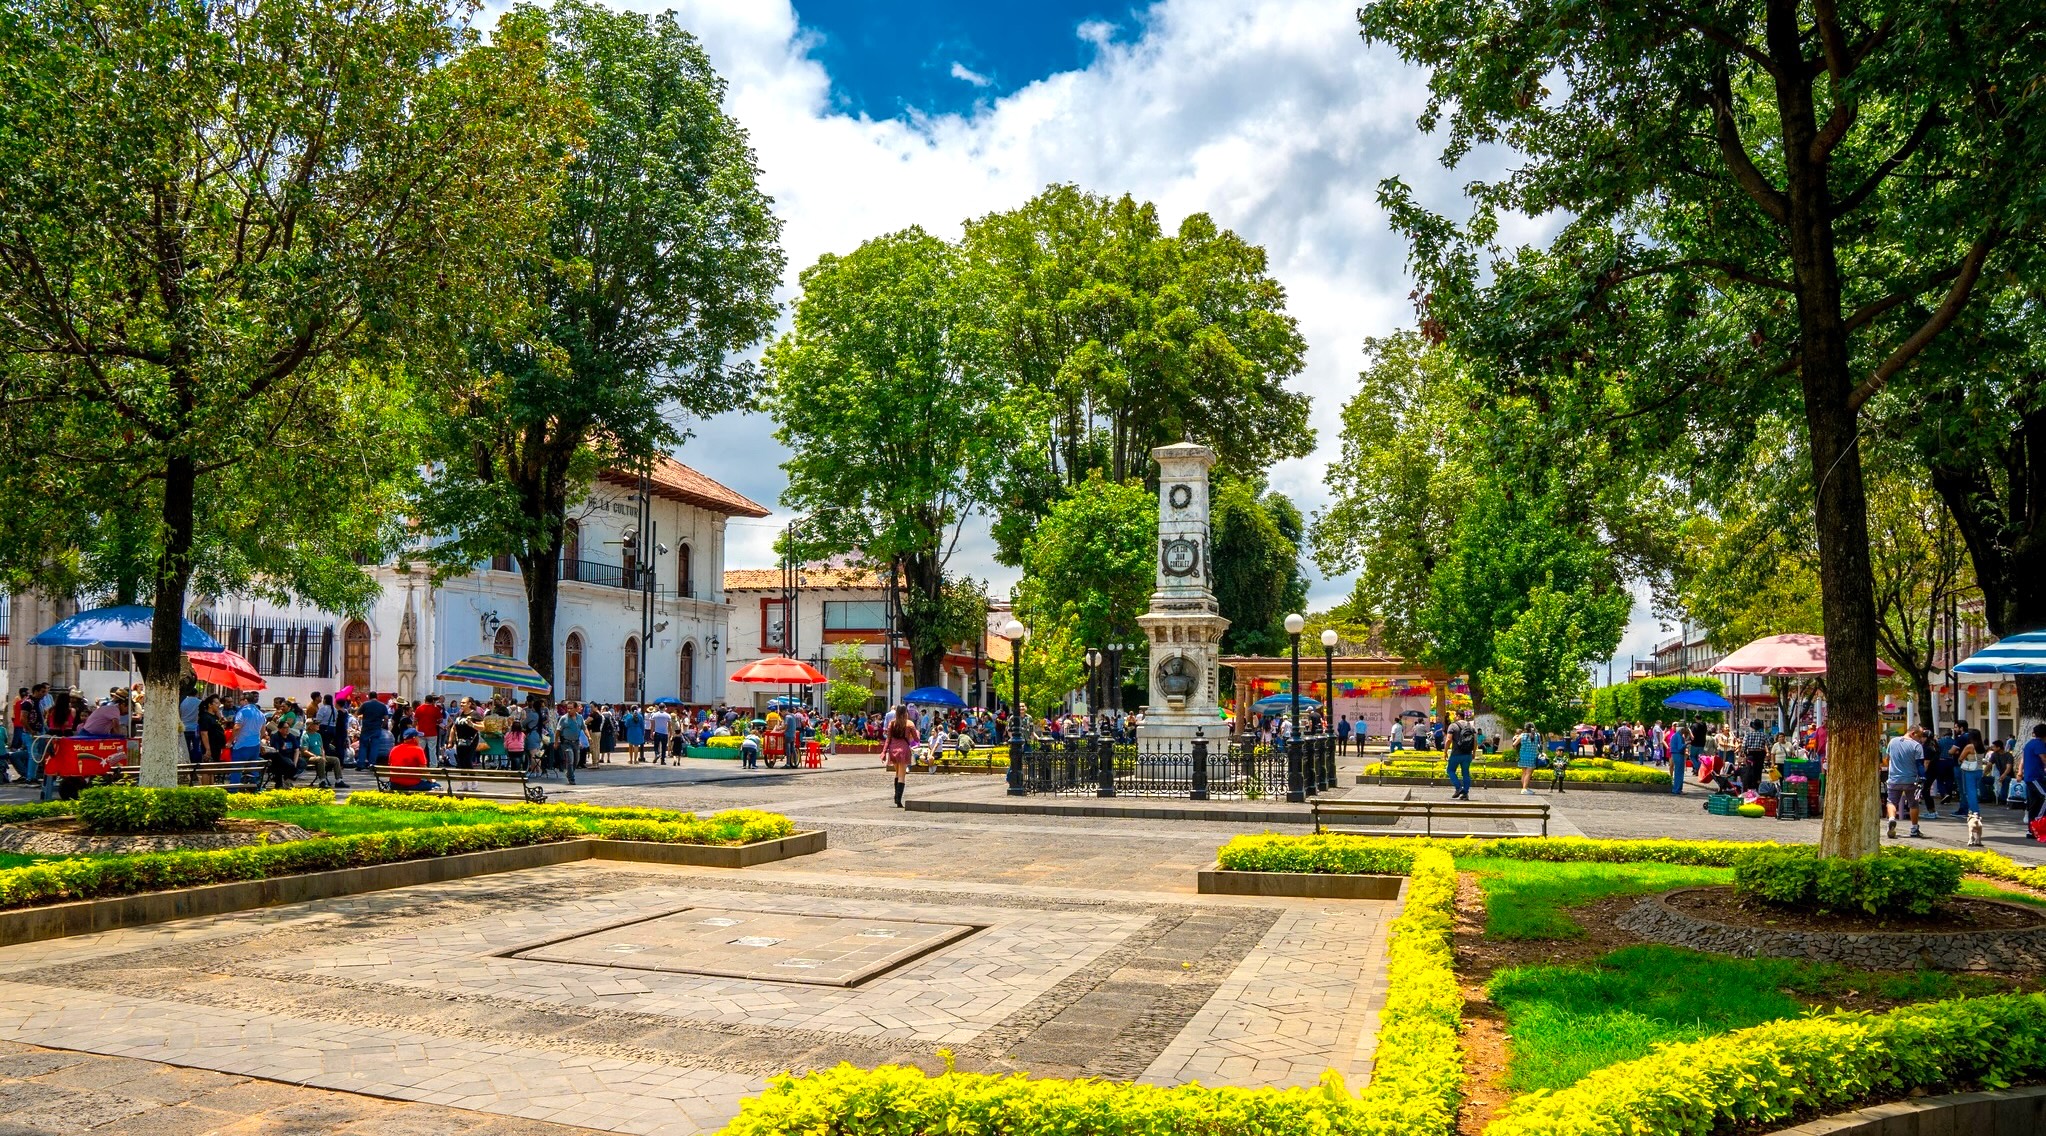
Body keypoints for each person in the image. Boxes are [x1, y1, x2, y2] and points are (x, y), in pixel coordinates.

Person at [1886, 726, 1927, 839]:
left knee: (1891, 802)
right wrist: (1923, 777)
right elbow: (1920, 764)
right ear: (1913, 733)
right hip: (1911, 780)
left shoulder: (1893, 741)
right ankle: (1914, 828)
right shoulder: (1917, 746)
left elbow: (1887, 758)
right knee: (1913, 804)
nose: (1921, 739)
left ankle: (1892, 819)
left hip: (1894, 779)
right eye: (1919, 736)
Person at [883, 702, 918, 808]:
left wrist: (884, 752)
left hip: (893, 751)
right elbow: (916, 739)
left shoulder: (892, 723)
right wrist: (911, 737)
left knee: (897, 773)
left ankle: (896, 796)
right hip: (903, 751)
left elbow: (888, 739)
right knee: (902, 776)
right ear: (906, 713)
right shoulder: (909, 724)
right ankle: (898, 799)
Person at [386, 728, 436, 792]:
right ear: (414, 738)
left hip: (395, 784)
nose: (419, 739)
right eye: (418, 737)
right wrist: (431, 780)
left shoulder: (394, 749)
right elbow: (424, 769)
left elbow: (390, 764)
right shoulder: (418, 750)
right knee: (437, 786)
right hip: (412, 784)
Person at [1445, 709, 1478, 799]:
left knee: (1450, 770)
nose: (1455, 717)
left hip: (1456, 753)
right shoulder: (1471, 727)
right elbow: (1475, 741)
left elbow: (1448, 740)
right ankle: (1465, 793)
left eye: (1456, 715)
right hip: (1467, 754)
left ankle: (1458, 788)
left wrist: (1445, 752)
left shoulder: (1453, 726)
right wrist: (1473, 752)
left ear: (1458, 716)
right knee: (1466, 773)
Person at [357, 693, 392, 771]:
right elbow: (386, 718)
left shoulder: (365, 704)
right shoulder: (382, 705)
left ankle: (360, 764)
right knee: (374, 746)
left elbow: (358, 713)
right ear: (377, 697)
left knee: (363, 745)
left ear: (369, 697)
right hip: (376, 727)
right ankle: (372, 764)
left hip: (366, 727)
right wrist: (382, 725)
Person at [2024, 724, 2046, 840]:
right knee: (2045, 797)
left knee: (2034, 804)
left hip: (2029, 777)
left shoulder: (2029, 744)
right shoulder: (2039, 744)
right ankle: (2037, 823)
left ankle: (2030, 830)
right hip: (2035, 778)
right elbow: (2044, 758)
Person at [1511, 720, 1541, 795]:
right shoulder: (1537, 735)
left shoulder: (1522, 735)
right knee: (1528, 773)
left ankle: (1525, 788)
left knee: (1524, 773)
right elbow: (1539, 745)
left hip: (1523, 755)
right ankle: (1524, 789)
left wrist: (1518, 748)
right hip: (1532, 755)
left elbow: (1514, 744)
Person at [412, 695, 443, 765]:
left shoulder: (419, 708)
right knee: (432, 750)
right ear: (432, 701)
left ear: (424, 700)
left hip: (421, 733)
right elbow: (440, 720)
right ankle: (434, 766)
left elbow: (415, 721)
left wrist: (414, 729)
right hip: (432, 733)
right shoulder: (435, 709)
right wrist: (435, 722)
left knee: (421, 750)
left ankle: (420, 764)